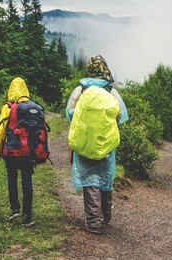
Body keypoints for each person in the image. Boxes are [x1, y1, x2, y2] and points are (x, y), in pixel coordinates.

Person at [66, 55, 128, 234]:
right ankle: (106, 217)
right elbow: (121, 116)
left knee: (89, 180)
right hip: (106, 144)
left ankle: (94, 223)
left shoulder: (81, 90)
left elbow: (70, 114)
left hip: (84, 143)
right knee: (105, 180)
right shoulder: (111, 91)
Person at [0, 77, 36, 227]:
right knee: (27, 179)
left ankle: (15, 209)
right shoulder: (32, 107)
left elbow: (0, 131)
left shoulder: (8, 107)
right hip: (28, 152)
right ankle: (28, 215)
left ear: (11, 89)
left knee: (12, 177)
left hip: (11, 151)